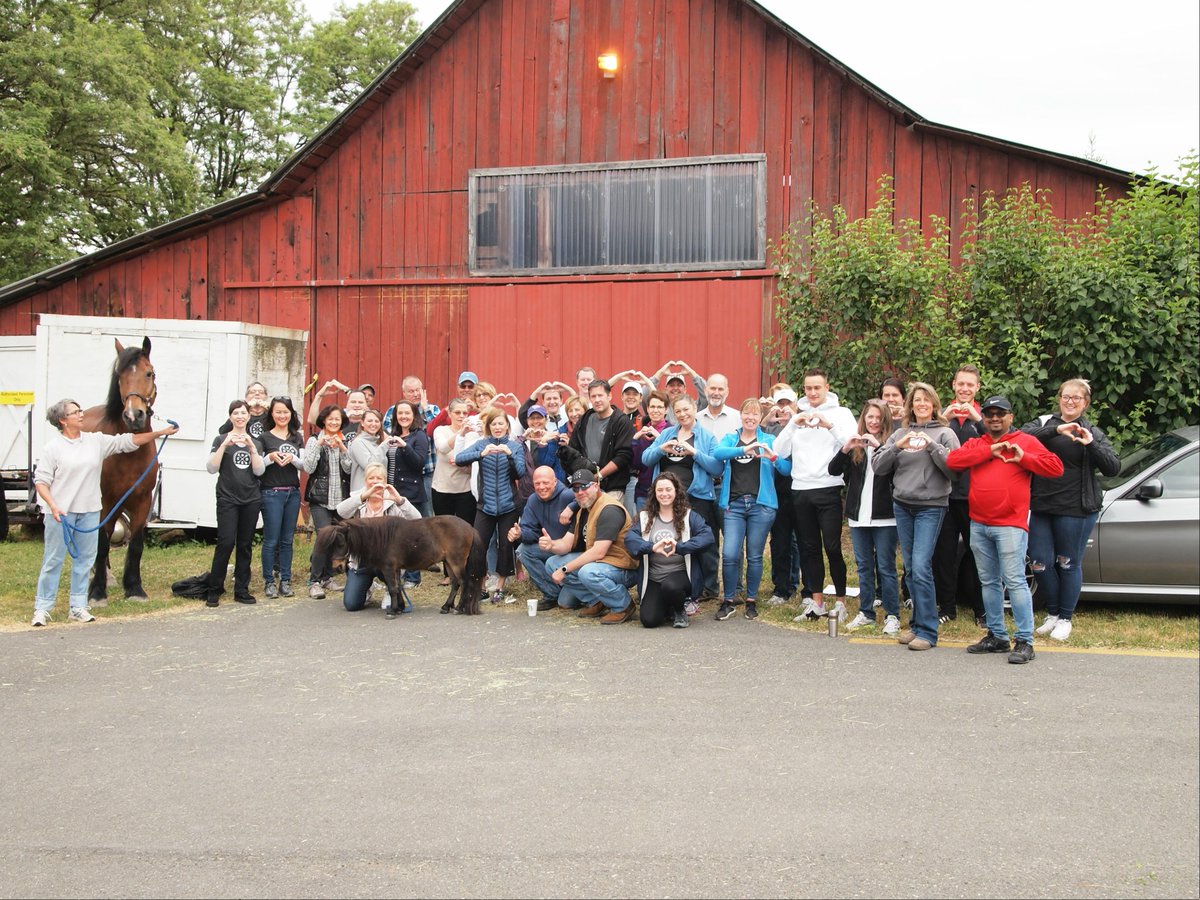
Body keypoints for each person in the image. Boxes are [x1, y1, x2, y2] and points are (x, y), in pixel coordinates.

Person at [31, 399, 179, 627]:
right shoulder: (54, 448)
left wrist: (161, 432)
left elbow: (130, 440)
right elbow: (41, 481)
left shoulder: (95, 441)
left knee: (84, 561)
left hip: (89, 511)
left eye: (80, 410)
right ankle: (42, 607)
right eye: (75, 412)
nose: (82, 414)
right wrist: (52, 505)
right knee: (53, 560)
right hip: (61, 512)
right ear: (63, 420)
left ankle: (78, 606)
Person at [948, 396, 1065, 663]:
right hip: (979, 523)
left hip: (1011, 524)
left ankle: (1025, 640)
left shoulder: (1025, 441)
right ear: (984, 418)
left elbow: (1055, 467)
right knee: (988, 582)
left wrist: (1024, 458)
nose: (994, 418)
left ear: (1011, 417)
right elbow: (954, 461)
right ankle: (997, 636)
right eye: (989, 414)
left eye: (1000, 413)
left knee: (1014, 582)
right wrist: (990, 451)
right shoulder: (979, 443)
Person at [1022, 378, 1121, 642]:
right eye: (1066, 396)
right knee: (1040, 562)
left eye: (1076, 398)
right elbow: (1021, 439)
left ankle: (1065, 618)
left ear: (1085, 403)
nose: (1070, 402)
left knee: (1067, 563)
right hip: (1042, 505)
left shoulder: (1092, 431)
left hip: (1076, 508)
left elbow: (1113, 467)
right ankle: (1052, 614)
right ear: (1059, 399)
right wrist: (1057, 431)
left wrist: (1090, 444)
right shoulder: (1044, 424)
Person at [871, 383, 960, 651]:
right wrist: (897, 446)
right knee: (911, 569)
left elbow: (955, 471)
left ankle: (929, 632)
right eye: (916, 400)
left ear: (934, 404)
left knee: (921, 567)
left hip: (931, 507)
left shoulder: (945, 434)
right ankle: (917, 625)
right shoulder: (900, 432)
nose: (921, 404)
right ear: (910, 405)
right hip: (903, 505)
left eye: (926, 400)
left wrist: (933, 446)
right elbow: (878, 466)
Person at [771, 369, 858, 621]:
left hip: (828, 487)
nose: (812, 393)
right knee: (809, 548)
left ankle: (840, 601)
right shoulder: (797, 415)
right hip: (800, 489)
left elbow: (851, 443)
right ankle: (816, 602)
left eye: (817, 388)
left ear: (827, 387)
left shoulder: (841, 414)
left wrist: (828, 425)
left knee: (832, 547)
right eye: (808, 388)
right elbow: (778, 450)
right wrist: (791, 425)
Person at [639, 395, 723, 611]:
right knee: (676, 542)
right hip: (667, 500)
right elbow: (646, 459)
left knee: (704, 544)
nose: (683, 415)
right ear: (673, 414)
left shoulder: (706, 437)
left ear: (695, 408)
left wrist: (693, 452)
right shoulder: (667, 433)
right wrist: (661, 449)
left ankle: (709, 587)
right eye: (678, 412)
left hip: (697, 496)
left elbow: (717, 468)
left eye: (687, 410)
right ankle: (683, 587)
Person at [712, 397, 787, 621]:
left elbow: (785, 469)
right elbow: (718, 454)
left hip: (760, 506)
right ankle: (729, 599)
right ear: (741, 415)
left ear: (759, 417)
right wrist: (745, 448)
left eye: (755, 414)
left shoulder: (769, 439)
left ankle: (751, 601)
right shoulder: (731, 438)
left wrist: (771, 456)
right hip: (734, 505)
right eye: (747, 413)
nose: (750, 417)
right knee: (730, 553)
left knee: (755, 556)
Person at [829, 399, 899, 634]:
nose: (874, 421)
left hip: (885, 517)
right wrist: (846, 447)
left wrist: (879, 446)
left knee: (886, 566)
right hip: (859, 517)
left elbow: (897, 472)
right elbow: (833, 470)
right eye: (870, 417)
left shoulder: (892, 444)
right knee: (864, 566)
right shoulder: (857, 447)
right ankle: (866, 612)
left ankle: (892, 615)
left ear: (885, 420)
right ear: (864, 419)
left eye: (878, 417)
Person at [542, 470, 639, 623]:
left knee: (587, 572)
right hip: (601, 563)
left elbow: (598, 552)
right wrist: (551, 545)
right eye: (575, 489)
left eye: (584, 487)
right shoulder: (583, 509)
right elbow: (566, 545)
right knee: (552, 563)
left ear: (595, 485)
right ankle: (598, 601)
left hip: (624, 567)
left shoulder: (609, 509)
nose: (580, 492)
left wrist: (565, 569)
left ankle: (623, 605)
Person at [453, 407, 526, 604]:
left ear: (507, 426)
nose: (497, 427)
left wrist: (509, 454)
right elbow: (459, 459)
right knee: (478, 546)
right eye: (493, 424)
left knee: (505, 546)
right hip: (485, 505)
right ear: (488, 426)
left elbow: (520, 472)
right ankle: (482, 586)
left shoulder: (515, 446)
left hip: (508, 505)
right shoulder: (481, 443)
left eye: (501, 423)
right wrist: (481, 453)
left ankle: (500, 586)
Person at [625, 472, 715, 628]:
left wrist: (680, 547)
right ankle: (669, 606)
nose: (664, 494)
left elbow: (707, 537)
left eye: (668, 489)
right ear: (654, 493)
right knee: (649, 621)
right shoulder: (645, 517)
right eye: (660, 490)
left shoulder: (688, 516)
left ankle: (680, 610)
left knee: (671, 586)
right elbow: (630, 539)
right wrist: (652, 547)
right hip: (654, 577)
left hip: (680, 575)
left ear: (676, 492)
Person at [933, 365, 986, 626]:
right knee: (944, 554)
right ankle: (947, 607)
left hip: (975, 497)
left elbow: (1002, 440)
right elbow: (925, 435)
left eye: (970, 385)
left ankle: (981, 610)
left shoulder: (986, 416)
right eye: (961, 384)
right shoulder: (943, 413)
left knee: (977, 554)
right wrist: (943, 416)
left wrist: (979, 419)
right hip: (945, 496)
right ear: (954, 385)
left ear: (977, 388)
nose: (965, 389)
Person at [334, 462, 421, 612]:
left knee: (387, 602)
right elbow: (341, 511)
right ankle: (367, 588)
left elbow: (417, 519)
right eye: (371, 478)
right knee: (352, 604)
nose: (375, 482)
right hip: (361, 561)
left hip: (387, 561)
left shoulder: (393, 500)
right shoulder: (358, 498)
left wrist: (400, 501)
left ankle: (391, 589)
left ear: (385, 481)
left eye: (379, 478)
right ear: (366, 480)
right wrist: (363, 496)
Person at [204, 400, 267, 607]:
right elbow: (212, 468)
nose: (240, 416)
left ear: (249, 416)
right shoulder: (221, 438)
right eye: (236, 413)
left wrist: (251, 447)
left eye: (243, 413)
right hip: (227, 498)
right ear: (231, 417)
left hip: (250, 498)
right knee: (226, 542)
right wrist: (224, 445)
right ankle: (215, 589)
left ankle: (241, 589)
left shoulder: (256, 442)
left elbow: (259, 471)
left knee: (245, 544)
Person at [301, 404, 352, 599]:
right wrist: (320, 445)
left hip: (340, 500)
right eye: (330, 419)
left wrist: (342, 448)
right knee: (323, 537)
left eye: (337, 419)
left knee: (337, 538)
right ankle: (314, 581)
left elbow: (348, 469)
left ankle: (327, 578)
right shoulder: (314, 440)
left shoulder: (343, 439)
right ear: (324, 420)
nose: (333, 422)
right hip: (320, 499)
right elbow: (308, 466)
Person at [258, 395, 304, 599]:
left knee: (287, 540)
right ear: (272, 414)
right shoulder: (264, 437)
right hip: (271, 492)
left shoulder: (296, 437)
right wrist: (270, 458)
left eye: (286, 412)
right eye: (278, 412)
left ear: (291, 414)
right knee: (271, 540)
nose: (282, 415)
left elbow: (304, 465)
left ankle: (285, 580)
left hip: (292, 492)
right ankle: (269, 581)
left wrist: (293, 458)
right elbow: (257, 467)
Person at [510, 466, 575, 610]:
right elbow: (530, 531)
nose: (541, 487)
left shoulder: (566, 495)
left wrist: (572, 506)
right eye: (537, 484)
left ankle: (575, 589)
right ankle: (551, 593)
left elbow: (595, 494)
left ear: (555, 481)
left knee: (566, 603)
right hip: (552, 549)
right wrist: (520, 533)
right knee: (523, 550)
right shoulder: (533, 500)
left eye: (546, 482)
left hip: (573, 552)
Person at [560, 379, 634, 499]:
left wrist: (599, 475)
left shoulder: (622, 421)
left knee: (606, 515)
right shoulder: (585, 419)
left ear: (609, 396)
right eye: (593, 396)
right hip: (585, 485)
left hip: (612, 487)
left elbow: (623, 456)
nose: (597, 400)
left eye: (600, 395)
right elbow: (574, 448)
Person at [762, 385, 801, 606]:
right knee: (780, 541)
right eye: (781, 404)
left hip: (803, 488)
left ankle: (799, 585)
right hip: (778, 490)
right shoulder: (771, 429)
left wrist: (796, 418)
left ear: (796, 404)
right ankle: (781, 587)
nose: (785, 409)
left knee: (802, 541)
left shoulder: (804, 423)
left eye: (788, 404)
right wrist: (768, 419)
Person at [631, 390, 671, 508]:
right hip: (644, 493)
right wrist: (635, 440)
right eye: (652, 407)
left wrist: (659, 438)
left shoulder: (672, 431)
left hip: (667, 493)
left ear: (666, 410)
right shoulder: (643, 432)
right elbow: (636, 464)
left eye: (659, 407)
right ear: (647, 409)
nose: (655, 410)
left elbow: (673, 460)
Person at [347, 407, 388, 493]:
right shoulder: (358, 442)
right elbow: (370, 466)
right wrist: (385, 445)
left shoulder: (378, 443)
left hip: (378, 492)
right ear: (362, 423)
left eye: (377, 421)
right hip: (362, 494)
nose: (373, 424)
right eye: (370, 421)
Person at [522, 404, 565, 482]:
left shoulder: (553, 438)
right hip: (527, 487)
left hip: (548, 485)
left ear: (546, 419)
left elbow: (548, 464)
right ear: (527, 421)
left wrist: (544, 442)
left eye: (539, 418)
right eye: (532, 418)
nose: (535, 421)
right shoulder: (523, 440)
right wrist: (523, 438)